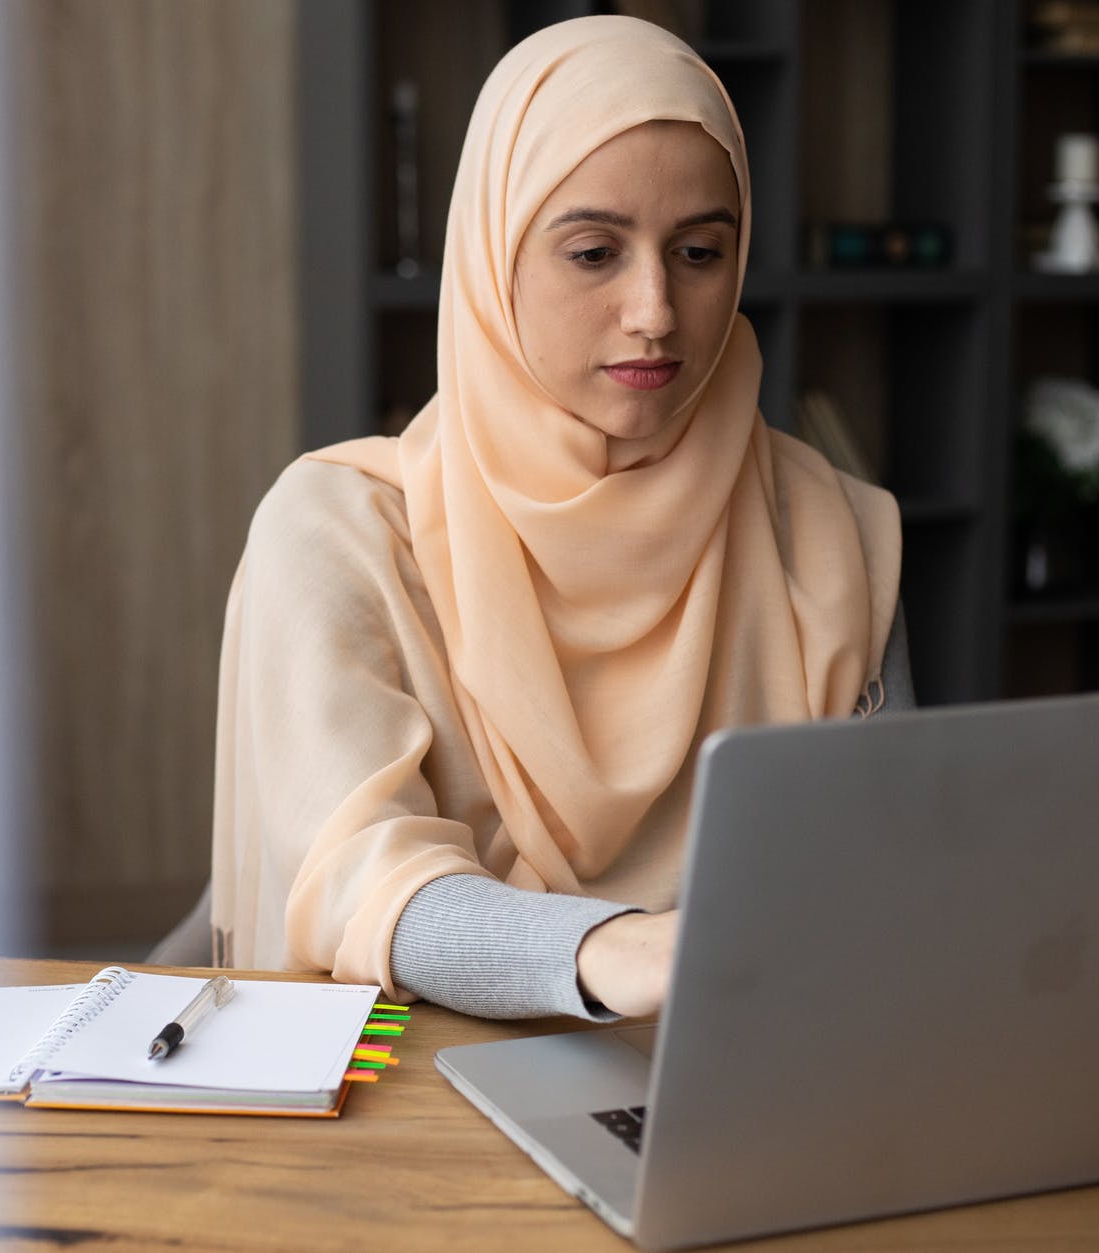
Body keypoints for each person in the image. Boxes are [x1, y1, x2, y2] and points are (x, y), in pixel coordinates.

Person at [209, 15, 907, 1022]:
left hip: (749, 1079)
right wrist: (606, 947)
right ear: (493, 257)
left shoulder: (836, 528)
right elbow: (359, 874)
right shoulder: (339, 532)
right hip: (420, 1096)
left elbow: (898, 870)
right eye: (591, 252)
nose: (655, 309)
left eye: (700, 251)